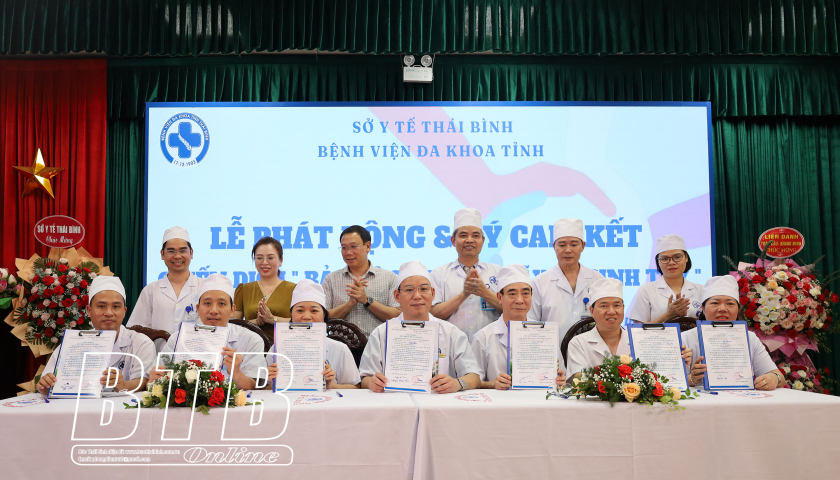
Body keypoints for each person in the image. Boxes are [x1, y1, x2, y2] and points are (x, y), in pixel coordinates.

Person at [359, 260, 481, 394]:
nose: (417, 296)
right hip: (394, 402)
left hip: (437, 403)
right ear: (397, 296)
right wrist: (372, 382)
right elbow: (365, 378)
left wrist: (457, 383)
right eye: (409, 290)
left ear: (433, 293)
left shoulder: (452, 333)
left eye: (423, 289)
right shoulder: (381, 333)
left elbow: (474, 377)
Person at [37, 276, 156, 395]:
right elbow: (47, 383)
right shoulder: (72, 342)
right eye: (101, 306)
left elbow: (143, 381)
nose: (109, 313)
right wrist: (45, 385)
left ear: (124, 311)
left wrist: (123, 385)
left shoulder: (142, 343)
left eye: (116, 306)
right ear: (89, 310)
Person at [149, 273, 266, 390]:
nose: (214, 310)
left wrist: (236, 373)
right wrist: (155, 379)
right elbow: (153, 380)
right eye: (207, 303)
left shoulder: (250, 340)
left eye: (221, 304)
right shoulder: (178, 339)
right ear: (198, 309)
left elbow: (256, 387)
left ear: (232, 310)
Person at [566, 278, 692, 379]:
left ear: (623, 308)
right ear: (592, 311)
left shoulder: (641, 341)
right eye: (604, 306)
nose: (611, 311)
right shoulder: (578, 343)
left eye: (617, 305)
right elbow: (579, 378)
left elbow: (658, 376)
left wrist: (678, 363)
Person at [471, 264, 567, 389]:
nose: (520, 300)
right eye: (512, 294)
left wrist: (560, 380)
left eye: (525, 293)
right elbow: (473, 381)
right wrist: (492, 384)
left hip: (539, 400)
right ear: (500, 297)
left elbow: (561, 373)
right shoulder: (483, 337)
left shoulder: (546, 334)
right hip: (500, 400)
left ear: (531, 295)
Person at [683, 276, 784, 390]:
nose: (722, 309)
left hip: (743, 398)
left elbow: (778, 376)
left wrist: (774, 378)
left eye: (730, 304)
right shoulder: (685, 338)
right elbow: (671, 380)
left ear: (738, 309)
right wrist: (692, 379)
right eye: (715, 303)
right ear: (703, 308)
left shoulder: (749, 338)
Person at [265, 279, 361, 389]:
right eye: (300, 310)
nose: (306, 317)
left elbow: (356, 387)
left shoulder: (339, 349)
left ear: (324, 315)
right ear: (291, 315)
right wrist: (273, 383)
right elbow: (263, 389)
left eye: (314, 311)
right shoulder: (277, 349)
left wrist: (331, 385)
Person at [429, 208, 502, 343]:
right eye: (463, 235)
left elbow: (511, 309)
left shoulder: (498, 272)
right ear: (453, 240)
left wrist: (484, 292)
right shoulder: (438, 274)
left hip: (490, 347)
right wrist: (464, 294)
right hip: (450, 347)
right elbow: (433, 314)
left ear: (483, 240)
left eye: (475, 236)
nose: (469, 240)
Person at [126, 226, 203, 351]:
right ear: (162, 254)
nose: (177, 256)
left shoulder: (204, 288)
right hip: (157, 358)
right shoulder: (150, 291)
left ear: (191, 253)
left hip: (195, 358)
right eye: (171, 251)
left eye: (182, 250)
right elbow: (136, 331)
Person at [528, 218, 604, 343]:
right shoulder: (539, 282)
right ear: (554, 246)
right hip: (552, 351)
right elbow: (532, 323)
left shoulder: (597, 279)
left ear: (583, 246)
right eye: (562, 245)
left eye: (574, 245)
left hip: (591, 351)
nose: (568, 250)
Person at [322, 225, 401, 341]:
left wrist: (366, 300)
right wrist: (350, 304)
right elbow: (323, 318)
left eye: (354, 246)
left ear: (368, 246)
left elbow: (396, 316)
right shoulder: (330, 279)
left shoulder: (389, 278)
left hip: (378, 346)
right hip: (341, 347)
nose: (348, 252)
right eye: (344, 248)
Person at [232, 236, 296, 343]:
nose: (264, 262)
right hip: (251, 348)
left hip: (286, 347)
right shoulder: (243, 290)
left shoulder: (294, 289)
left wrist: (273, 319)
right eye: (259, 258)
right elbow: (234, 326)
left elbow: (301, 323)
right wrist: (256, 322)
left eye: (270, 258)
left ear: (280, 261)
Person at [628, 234, 704, 323]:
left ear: (686, 258)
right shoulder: (646, 290)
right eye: (664, 259)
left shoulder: (701, 290)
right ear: (658, 262)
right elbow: (638, 329)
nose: (671, 263)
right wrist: (668, 315)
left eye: (677, 257)